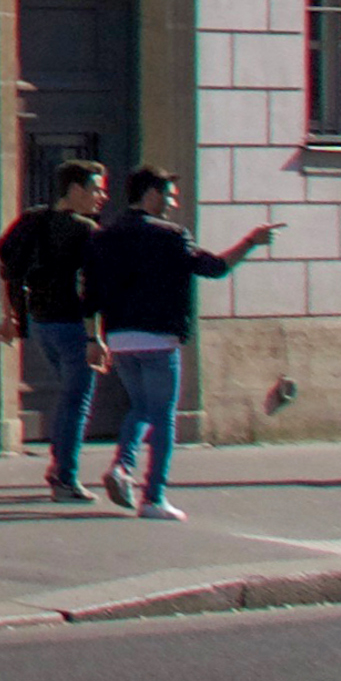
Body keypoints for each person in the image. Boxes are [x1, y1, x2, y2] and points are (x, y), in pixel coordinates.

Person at [80, 166, 274, 520]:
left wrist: (95, 337)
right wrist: (250, 242)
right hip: (159, 339)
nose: (172, 203)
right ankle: (154, 498)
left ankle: (121, 468)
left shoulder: (104, 236)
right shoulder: (172, 236)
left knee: (140, 407)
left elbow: (90, 293)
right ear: (151, 194)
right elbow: (214, 267)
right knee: (164, 416)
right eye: (169, 195)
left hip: (121, 338)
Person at [0, 156, 111, 503]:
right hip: (72, 325)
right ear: (75, 190)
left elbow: (8, 268)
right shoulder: (86, 231)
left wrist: (11, 316)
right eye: (95, 190)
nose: (101, 198)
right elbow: (92, 288)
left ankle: (60, 468)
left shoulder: (31, 219)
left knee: (69, 398)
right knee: (76, 402)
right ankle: (64, 478)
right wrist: (95, 337)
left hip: (41, 324)